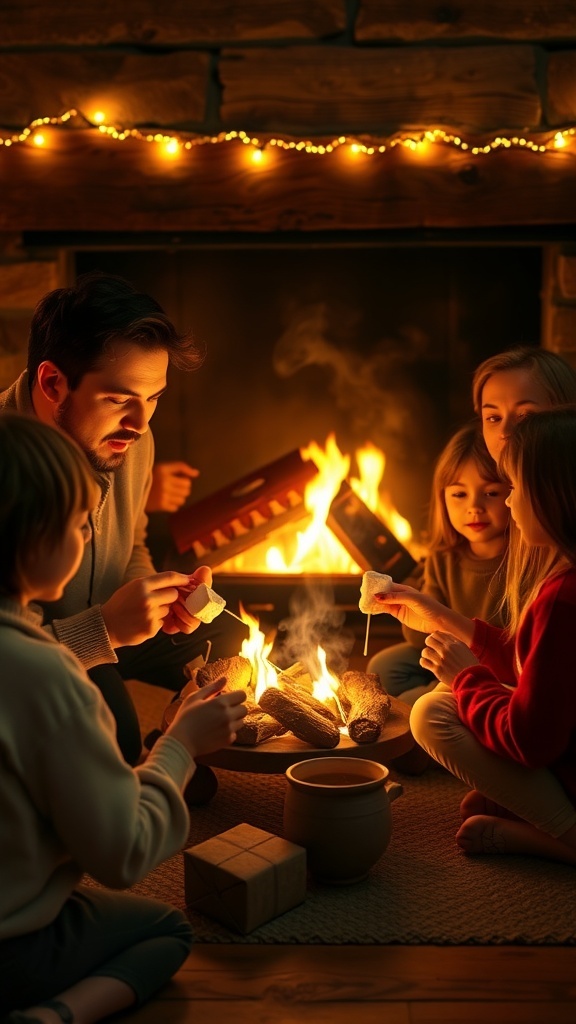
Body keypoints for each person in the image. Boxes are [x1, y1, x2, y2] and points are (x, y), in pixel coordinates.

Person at [0, 412, 248, 1023]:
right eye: (78, 524)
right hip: (10, 950)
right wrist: (180, 745)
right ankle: (52, 1017)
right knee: (166, 930)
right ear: (37, 542)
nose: (89, 535)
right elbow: (123, 853)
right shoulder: (47, 675)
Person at [0, 272, 247, 765]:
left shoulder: (130, 438)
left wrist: (158, 597)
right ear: (52, 382)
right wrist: (105, 631)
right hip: (38, 651)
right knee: (113, 739)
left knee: (227, 633)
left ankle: (174, 742)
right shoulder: (10, 465)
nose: (140, 424)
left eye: (153, 398)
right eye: (119, 399)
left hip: (108, 622)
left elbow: (132, 543)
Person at [374, 407, 576, 866]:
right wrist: (444, 619)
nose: (508, 502)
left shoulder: (562, 600)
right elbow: (531, 664)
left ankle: (567, 836)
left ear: (552, 494)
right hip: (562, 741)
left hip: (559, 755)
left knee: (431, 713)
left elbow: (531, 740)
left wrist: (467, 677)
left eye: (513, 488)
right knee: (434, 696)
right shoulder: (563, 577)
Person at [367, 422, 509, 705]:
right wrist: (412, 600)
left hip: (496, 668)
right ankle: (437, 691)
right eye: (459, 494)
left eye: (491, 493)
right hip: (448, 652)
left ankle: (446, 698)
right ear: (443, 498)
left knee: (415, 702)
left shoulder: (522, 560)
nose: (474, 507)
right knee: (383, 668)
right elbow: (417, 638)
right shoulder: (443, 557)